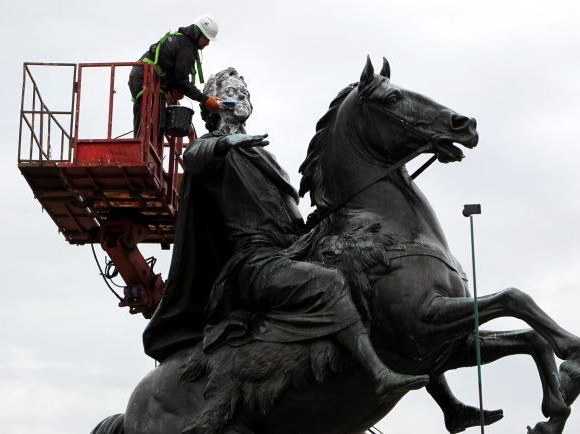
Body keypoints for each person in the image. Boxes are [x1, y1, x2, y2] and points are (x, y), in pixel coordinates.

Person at [142, 67, 429, 403]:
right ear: (215, 104)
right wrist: (224, 143)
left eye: (245, 93)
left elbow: (285, 216)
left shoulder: (262, 153)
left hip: (288, 252)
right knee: (329, 283)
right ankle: (379, 375)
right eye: (232, 94)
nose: (241, 100)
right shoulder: (215, 148)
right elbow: (193, 158)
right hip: (255, 264)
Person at [128, 14, 223, 137]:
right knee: (153, 123)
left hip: (145, 77)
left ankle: (141, 151)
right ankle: (142, 154)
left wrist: (171, 90)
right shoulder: (186, 48)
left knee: (152, 121)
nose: (208, 43)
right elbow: (181, 81)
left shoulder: (182, 42)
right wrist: (205, 99)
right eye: (207, 39)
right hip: (146, 79)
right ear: (198, 34)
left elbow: (173, 75)